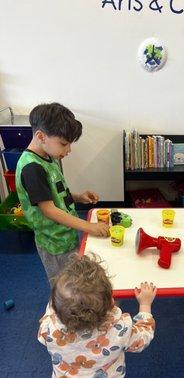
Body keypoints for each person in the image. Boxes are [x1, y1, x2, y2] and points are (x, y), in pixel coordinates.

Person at [38, 254, 156, 378]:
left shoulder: (49, 329)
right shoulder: (119, 329)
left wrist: (59, 301)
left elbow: (53, 308)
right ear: (111, 303)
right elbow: (142, 338)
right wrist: (145, 305)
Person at [15, 102, 109, 283]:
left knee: (75, 281)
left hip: (65, 236)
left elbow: (51, 193)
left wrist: (78, 196)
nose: (68, 150)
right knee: (64, 287)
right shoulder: (32, 168)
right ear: (41, 136)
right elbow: (49, 209)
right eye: (64, 144)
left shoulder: (47, 157)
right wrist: (89, 226)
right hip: (54, 244)